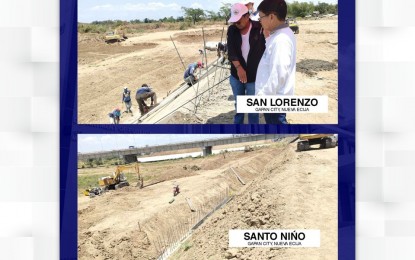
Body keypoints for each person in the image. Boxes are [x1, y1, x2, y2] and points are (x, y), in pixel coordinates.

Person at [256, 0, 296, 124]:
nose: (260, 21)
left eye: (261, 17)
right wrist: (268, 38)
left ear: (272, 17)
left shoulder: (281, 40)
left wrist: (263, 98)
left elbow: (279, 74)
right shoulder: (279, 35)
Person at [227, 3, 266, 124]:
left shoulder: (259, 28)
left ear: (247, 16)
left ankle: (253, 130)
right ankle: (237, 127)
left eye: (238, 21)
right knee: (239, 104)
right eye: (234, 21)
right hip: (236, 76)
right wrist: (239, 68)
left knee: (253, 107)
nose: (236, 24)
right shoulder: (232, 30)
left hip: (254, 77)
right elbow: (231, 51)